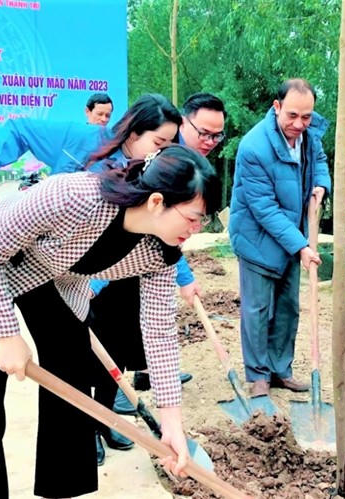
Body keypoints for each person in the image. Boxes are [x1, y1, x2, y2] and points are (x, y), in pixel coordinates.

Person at [0, 144, 221, 498]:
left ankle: (64, 489)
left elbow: (159, 333)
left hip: (52, 277)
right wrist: (6, 333)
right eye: (193, 218)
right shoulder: (75, 196)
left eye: (203, 220)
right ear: (157, 201)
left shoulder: (160, 252)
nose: (196, 229)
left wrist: (172, 423)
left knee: (73, 371)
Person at [0, 94, 197, 463]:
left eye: (172, 145)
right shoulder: (81, 162)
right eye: (160, 142)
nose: (164, 154)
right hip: (18, 256)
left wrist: (181, 276)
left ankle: (91, 432)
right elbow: (19, 129)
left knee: (76, 368)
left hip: (77, 278)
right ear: (133, 132)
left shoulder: (157, 195)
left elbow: (166, 239)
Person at [229, 78, 330, 397]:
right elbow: (264, 208)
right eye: (292, 116)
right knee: (257, 310)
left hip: (292, 236)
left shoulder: (310, 136)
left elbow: (320, 162)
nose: (299, 124)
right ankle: (258, 375)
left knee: (288, 308)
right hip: (257, 238)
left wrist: (321, 184)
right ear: (277, 107)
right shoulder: (254, 147)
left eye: (307, 117)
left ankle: (280, 370)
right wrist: (301, 245)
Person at [125, 91, 227, 396]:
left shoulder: (196, 165)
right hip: (114, 253)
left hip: (145, 253)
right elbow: (158, 229)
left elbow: (168, 241)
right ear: (184, 123)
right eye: (204, 133)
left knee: (151, 314)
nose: (210, 141)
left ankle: (147, 372)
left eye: (217, 136)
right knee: (118, 312)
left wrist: (184, 277)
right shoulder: (166, 161)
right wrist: (184, 277)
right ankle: (118, 387)